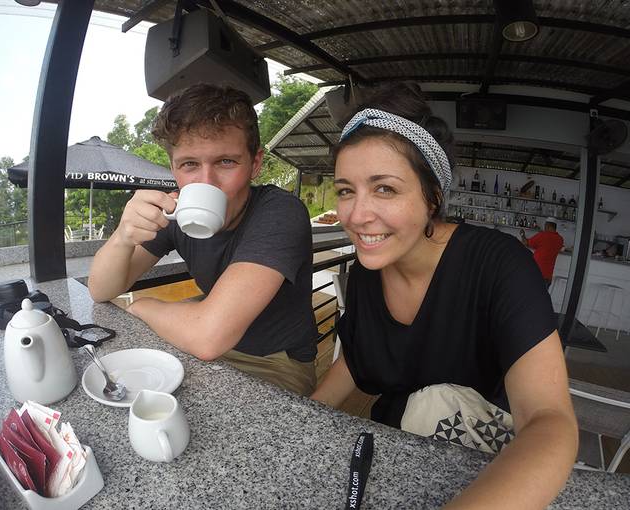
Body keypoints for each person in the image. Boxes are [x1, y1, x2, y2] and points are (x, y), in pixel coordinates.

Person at [311, 83, 577, 508]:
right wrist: (306, 421)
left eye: (385, 189)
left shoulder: (498, 265)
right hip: (395, 451)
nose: (357, 216)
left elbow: (549, 420)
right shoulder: (366, 271)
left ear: (433, 196)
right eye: (346, 190)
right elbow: (356, 357)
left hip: (489, 472)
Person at [88, 84, 318, 396]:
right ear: (174, 168)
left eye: (226, 162)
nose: (206, 182)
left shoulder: (280, 211)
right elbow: (101, 289)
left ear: (256, 164)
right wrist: (123, 235)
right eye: (190, 165)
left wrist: (142, 306)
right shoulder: (178, 211)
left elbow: (209, 336)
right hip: (207, 345)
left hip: (275, 362)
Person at [520, 217, 564, 289]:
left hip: (536, 274)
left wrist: (522, 234)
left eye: (545, 226)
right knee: (540, 298)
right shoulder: (560, 239)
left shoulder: (542, 235)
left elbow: (525, 243)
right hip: (548, 277)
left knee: (529, 297)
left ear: (548, 226)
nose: (544, 228)